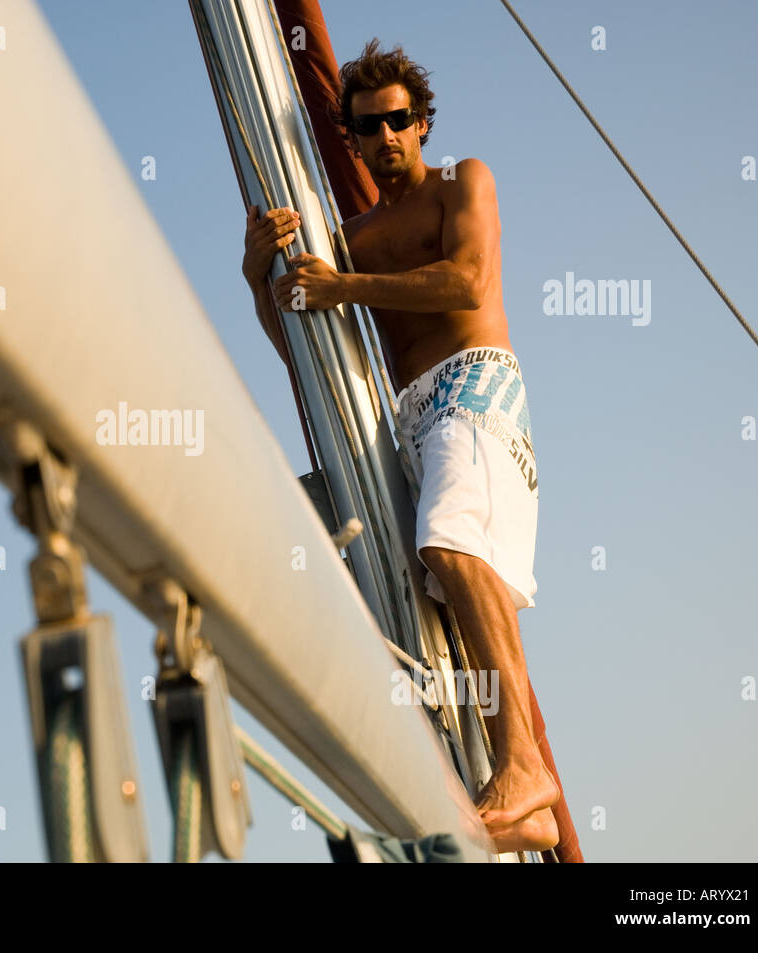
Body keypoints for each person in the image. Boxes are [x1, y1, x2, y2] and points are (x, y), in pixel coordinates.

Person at [244, 8, 582, 861]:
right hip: (410, 417)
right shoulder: (347, 241)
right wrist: (261, 275)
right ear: (350, 140)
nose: (386, 135)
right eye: (367, 126)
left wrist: (345, 284)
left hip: (477, 390)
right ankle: (514, 800)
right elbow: (303, 348)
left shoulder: (461, 183)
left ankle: (523, 767)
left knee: (451, 542)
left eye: (399, 119)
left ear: (422, 121)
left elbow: (468, 282)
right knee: (419, 599)